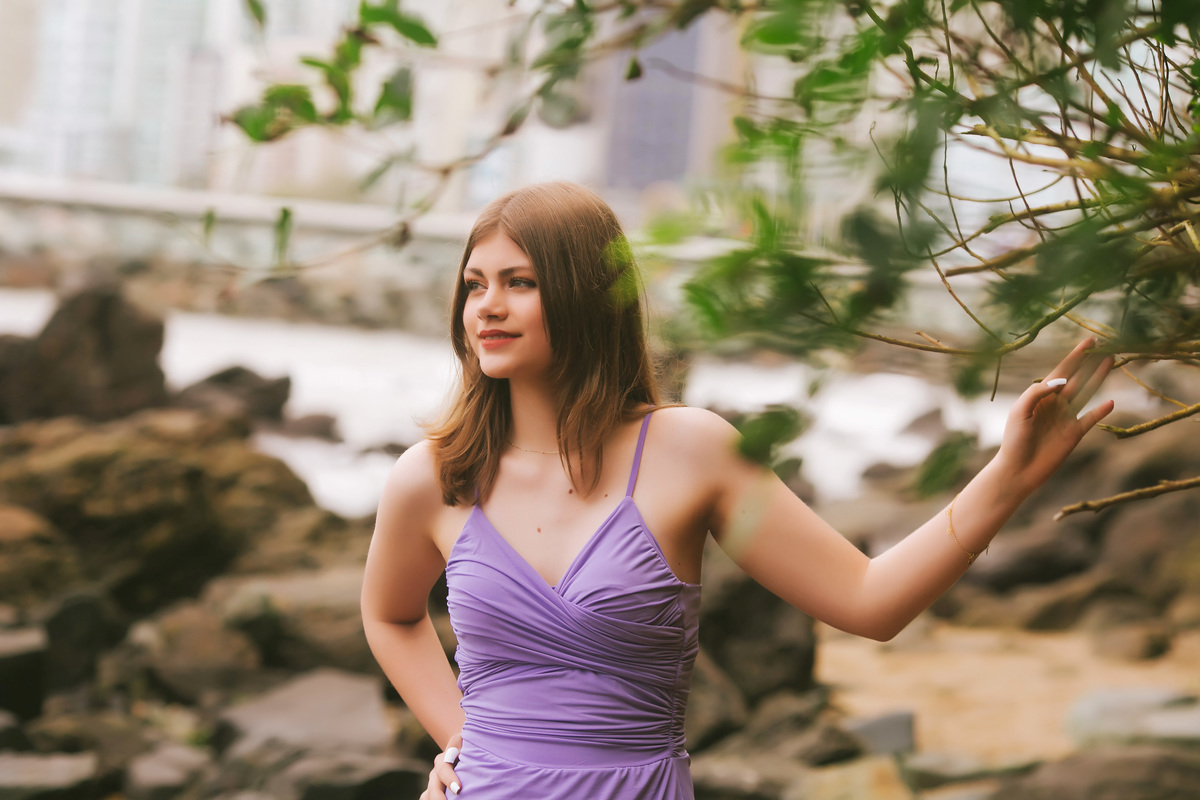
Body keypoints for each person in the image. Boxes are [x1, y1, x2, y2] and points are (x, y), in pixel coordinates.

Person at [360, 181, 1115, 799]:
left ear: (587, 295)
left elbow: (869, 600)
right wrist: (463, 739)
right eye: (474, 285)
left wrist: (1010, 475)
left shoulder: (690, 452)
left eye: (519, 283)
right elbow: (390, 614)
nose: (486, 306)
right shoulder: (435, 477)